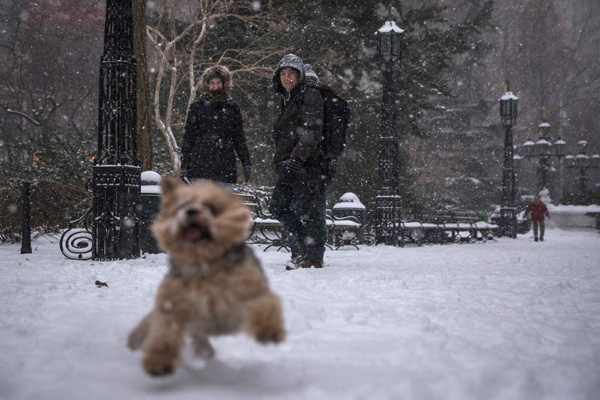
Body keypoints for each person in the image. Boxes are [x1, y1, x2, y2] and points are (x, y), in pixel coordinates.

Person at [269, 54, 330, 270]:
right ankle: (305, 247)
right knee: (277, 206)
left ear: (299, 75)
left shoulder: (310, 94)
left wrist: (296, 158)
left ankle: (313, 257)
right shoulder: (289, 98)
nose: (286, 78)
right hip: (289, 165)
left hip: (308, 164)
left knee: (311, 211)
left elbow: (311, 130)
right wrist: (282, 162)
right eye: (283, 74)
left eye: (291, 73)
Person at [180, 65, 251, 187]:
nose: (215, 86)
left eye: (218, 82)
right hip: (201, 164)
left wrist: (246, 162)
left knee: (223, 205)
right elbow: (189, 138)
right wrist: (184, 166)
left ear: (224, 84)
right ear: (207, 84)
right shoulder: (197, 107)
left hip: (225, 165)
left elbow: (239, 138)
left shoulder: (232, 108)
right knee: (202, 204)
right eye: (212, 83)